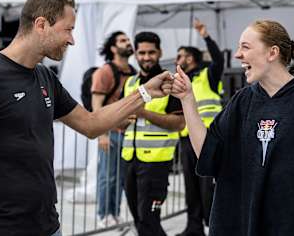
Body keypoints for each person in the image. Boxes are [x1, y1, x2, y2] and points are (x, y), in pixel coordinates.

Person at [0, 0, 174, 236]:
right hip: (0, 229)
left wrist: (143, 93)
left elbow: (91, 124)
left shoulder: (45, 77)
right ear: (41, 24)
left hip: (49, 227)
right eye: (68, 29)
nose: (72, 39)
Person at [171, 20, 294, 236]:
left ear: (272, 52)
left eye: (245, 47)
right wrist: (187, 100)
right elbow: (207, 153)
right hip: (248, 225)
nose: (237, 55)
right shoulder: (242, 102)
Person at [122, 31, 185, 236]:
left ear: (159, 53)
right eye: (142, 53)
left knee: (149, 219)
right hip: (129, 158)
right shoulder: (130, 83)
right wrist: (123, 119)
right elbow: (124, 120)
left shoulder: (170, 83)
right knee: (139, 219)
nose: (146, 57)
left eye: (151, 52)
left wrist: (142, 112)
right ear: (136, 54)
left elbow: (179, 123)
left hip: (156, 162)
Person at [175, 19, 224, 236]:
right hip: (187, 140)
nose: (178, 60)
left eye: (182, 55)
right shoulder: (181, 81)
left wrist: (205, 36)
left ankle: (213, 225)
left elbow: (219, 59)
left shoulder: (208, 76)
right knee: (191, 186)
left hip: (208, 140)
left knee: (208, 188)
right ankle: (193, 227)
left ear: (193, 57)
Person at [92, 31, 136, 226]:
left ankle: (114, 213)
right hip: (110, 132)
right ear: (113, 48)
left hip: (127, 134)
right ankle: (103, 215)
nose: (128, 43)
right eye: (122, 40)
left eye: (128, 40)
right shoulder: (105, 72)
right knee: (107, 176)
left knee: (120, 178)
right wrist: (101, 134)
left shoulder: (133, 72)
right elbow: (97, 105)